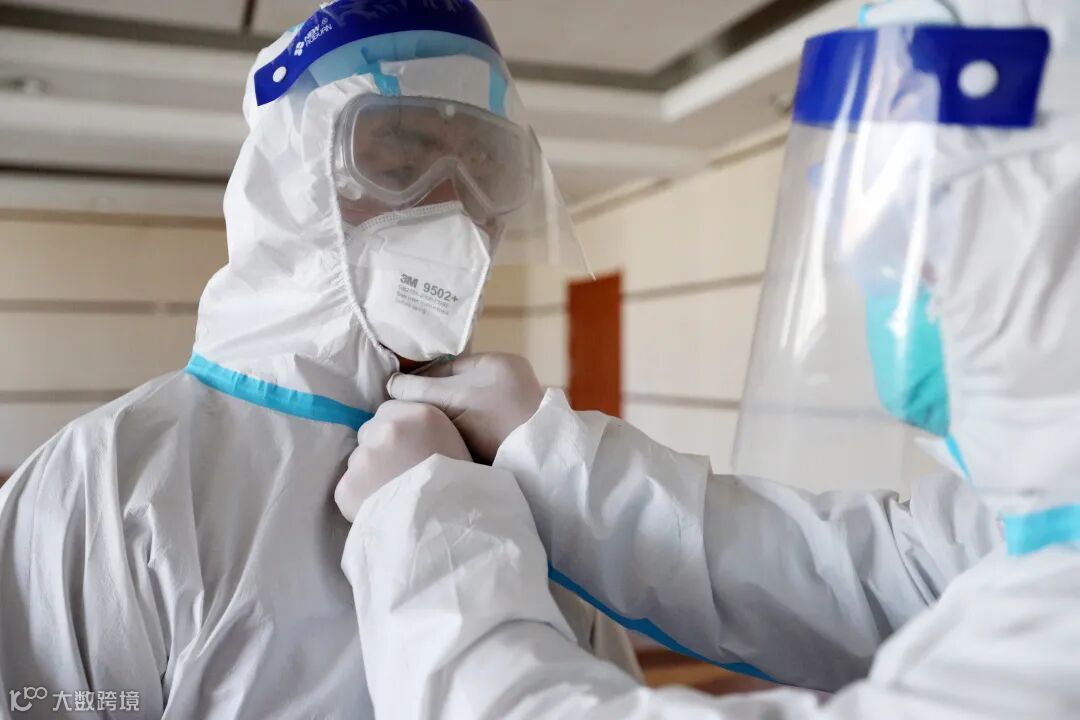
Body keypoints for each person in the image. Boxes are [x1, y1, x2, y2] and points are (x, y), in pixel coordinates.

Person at [334, 1, 1080, 717]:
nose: (893, 267)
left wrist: (425, 533)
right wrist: (549, 454)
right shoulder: (1031, 529)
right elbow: (840, 575)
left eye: (936, 213)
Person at [0, 1, 640, 716]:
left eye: (486, 168)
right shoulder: (109, 481)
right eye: (400, 160)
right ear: (293, 185)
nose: (455, 209)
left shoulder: (527, 472)